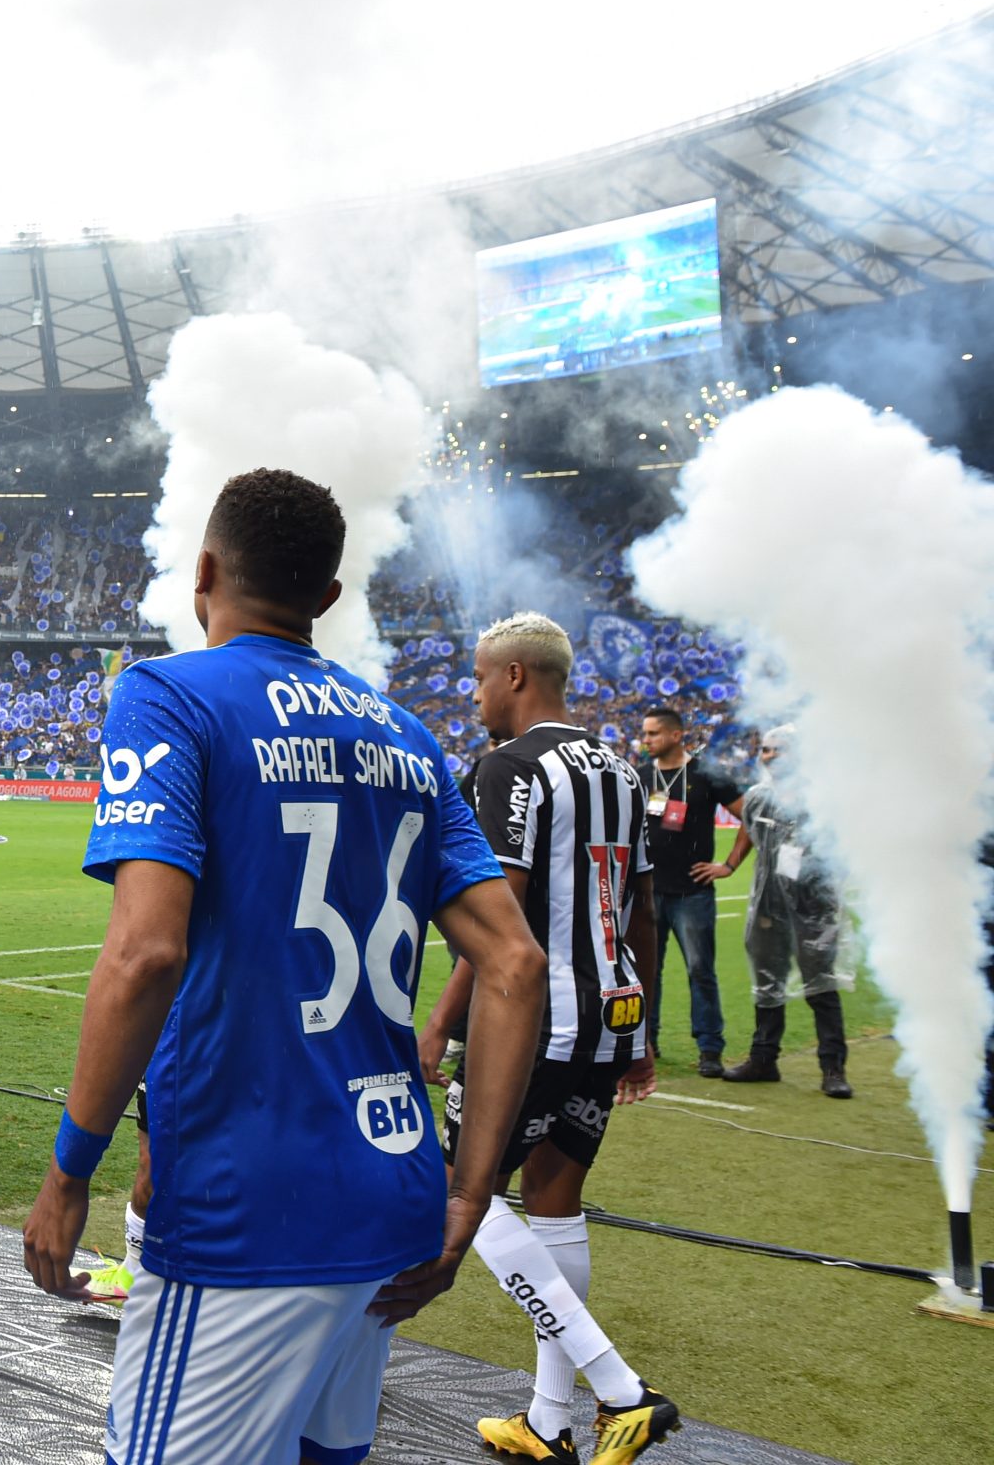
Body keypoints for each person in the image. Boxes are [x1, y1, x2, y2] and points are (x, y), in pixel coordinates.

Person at [23, 468, 549, 1464]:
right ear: (327, 598)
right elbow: (515, 965)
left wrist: (67, 1171)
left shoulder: (165, 695)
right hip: (393, 1198)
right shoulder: (408, 736)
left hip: (246, 1202)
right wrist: (468, 1197)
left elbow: (144, 953)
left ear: (206, 571)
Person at [418, 610, 681, 1461]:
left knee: (461, 1189)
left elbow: (504, 923)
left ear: (518, 677)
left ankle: (621, 1390)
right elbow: (644, 909)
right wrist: (641, 1032)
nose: (478, 694)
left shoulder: (513, 767)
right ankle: (545, 1420)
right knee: (556, 1200)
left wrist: (439, 1027)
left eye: (483, 678)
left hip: (537, 1024)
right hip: (609, 1017)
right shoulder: (621, 767)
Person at [703, 727, 852, 1097]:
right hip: (768, 901)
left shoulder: (822, 796)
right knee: (767, 981)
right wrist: (730, 865)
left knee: (821, 985)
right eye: (766, 750)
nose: (769, 756)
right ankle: (764, 1058)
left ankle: (833, 1068)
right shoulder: (759, 797)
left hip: (814, 903)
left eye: (778, 750)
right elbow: (749, 831)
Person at [636, 704, 743, 1076]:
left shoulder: (706, 773)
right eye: (644, 733)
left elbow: (749, 815)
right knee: (647, 971)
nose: (645, 740)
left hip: (692, 894)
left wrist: (728, 865)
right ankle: (645, 1042)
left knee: (701, 971)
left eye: (652, 734)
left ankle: (710, 1048)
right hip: (648, 891)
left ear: (676, 735)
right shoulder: (640, 775)